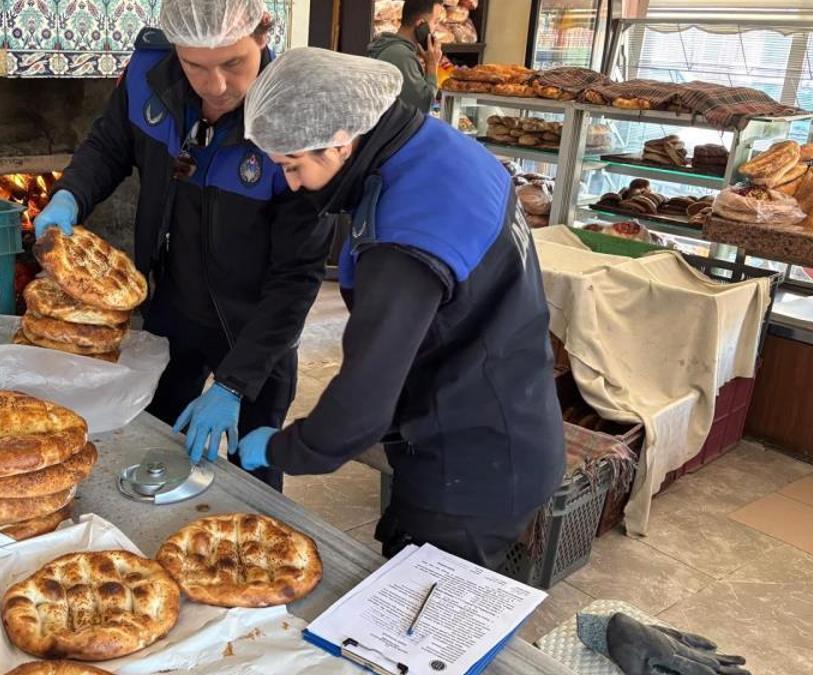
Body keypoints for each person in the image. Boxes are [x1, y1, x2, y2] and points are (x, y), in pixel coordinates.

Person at [230, 48, 565, 570]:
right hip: (508, 403)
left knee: (432, 620)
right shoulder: (434, 146)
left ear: (341, 143)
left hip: (472, 462)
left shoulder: (406, 239)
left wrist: (282, 449)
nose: (292, 185)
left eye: (293, 166)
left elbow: (363, 403)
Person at [32, 0, 330, 491]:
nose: (215, 87)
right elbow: (109, 147)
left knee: (252, 483)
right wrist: (68, 196)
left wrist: (236, 382)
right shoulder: (148, 74)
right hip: (171, 307)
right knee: (153, 451)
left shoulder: (297, 117)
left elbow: (298, 275)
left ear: (263, 33)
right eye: (195, 66)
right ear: (176, 49)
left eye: (233, 64)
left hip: (256, 328)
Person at [368, 0, 444, 113]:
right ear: (420, 24)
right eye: (435, 22)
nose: (436, 28)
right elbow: (424, 107)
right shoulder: (401, 55)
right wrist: (432, 65)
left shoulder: (397, 50)